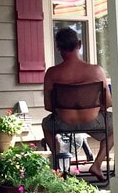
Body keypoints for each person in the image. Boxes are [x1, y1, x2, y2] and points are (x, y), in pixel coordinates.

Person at [42, 27, 113, 181]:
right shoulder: (96, 71)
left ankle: (60, 166)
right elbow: (107, 103)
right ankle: (97, 164)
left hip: (63, 123)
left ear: (58, 48)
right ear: (79, 44)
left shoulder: (52, 73)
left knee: (46, 124)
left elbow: (48, 106)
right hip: (93, 121)